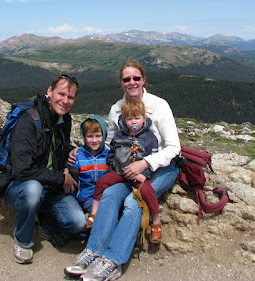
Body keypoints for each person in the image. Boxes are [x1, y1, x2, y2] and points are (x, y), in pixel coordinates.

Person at [65, 60, 181, 281]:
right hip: (126, 168)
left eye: (136, 78)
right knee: (108, 194)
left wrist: (145, 163)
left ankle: (113, 260)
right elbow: (109, 144)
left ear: (143, 80)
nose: (132, 82)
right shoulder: (116, 109)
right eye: (127, 79)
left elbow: (174, 147)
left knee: (133, 202)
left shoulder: (159, 105)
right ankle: (94, 250)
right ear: (121, 82)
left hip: (161, 168)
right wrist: (79, 153)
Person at [0, 74, 86, 264]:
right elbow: (22, 170)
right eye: (61, 94)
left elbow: (52, 149)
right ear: (49, 92)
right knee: (33, 190)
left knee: (78, 223)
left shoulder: (63, 120)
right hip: (21, 186)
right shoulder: (29, 120)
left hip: (49, 187)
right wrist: (60, 179)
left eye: (70, 97)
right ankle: (23, 240)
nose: (65, 101)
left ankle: (44, 224)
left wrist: (70, 153)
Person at [87, 98, 162, 243]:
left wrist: (144, 175)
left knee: (147, 192)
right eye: (130, 119)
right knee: (102, 182)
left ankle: (156, 222)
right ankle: (93, 214)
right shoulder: (119, 136)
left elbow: (152, 158)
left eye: (137, 118)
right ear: (123, 119)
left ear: (144, 119)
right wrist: (111, 169)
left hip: (138, 175)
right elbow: (112, 153)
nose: (134, 122)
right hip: (120, 172)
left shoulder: (149, 138)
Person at [71, 115, 109, 213]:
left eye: (98, 136)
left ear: (104, 135)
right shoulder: (78, 156)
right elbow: (73, 180)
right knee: (100, 213)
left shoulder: (108, 156)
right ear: (84, 137)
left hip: (104, 196)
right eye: (90, 136)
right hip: (86, 197)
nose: (94, 140)